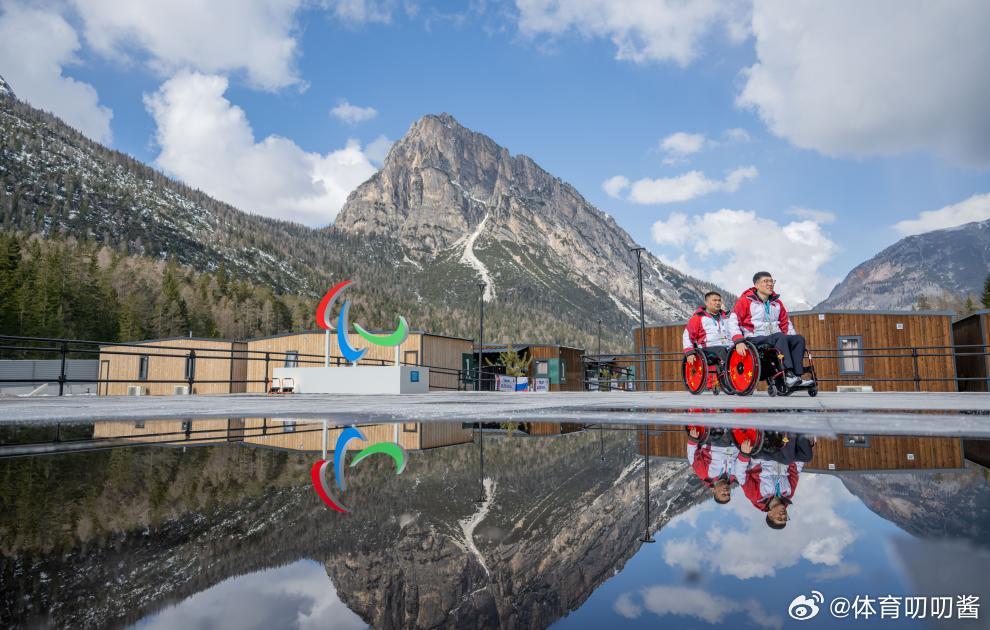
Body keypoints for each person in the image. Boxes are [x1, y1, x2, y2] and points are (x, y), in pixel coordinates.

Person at [730, 272, 813, 388]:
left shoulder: (777, 303)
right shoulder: (745, 301)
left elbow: (785, 323)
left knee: (798, 339)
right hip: (754, 337)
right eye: (766, 281)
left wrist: (791, 339)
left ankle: (797, 376)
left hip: (775, 337)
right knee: (779, 336)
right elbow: (733, 320)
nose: (770, 284)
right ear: (756, 285)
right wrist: (738, 341)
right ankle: (788, 374)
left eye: (772, 281)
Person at [733, 432, 816, 529]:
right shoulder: (788, 494)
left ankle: (790, 430)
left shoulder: (756, 497)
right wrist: (801, 448)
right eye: (785, 518)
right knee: (807, 456)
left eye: (779, 518)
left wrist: (744, 455)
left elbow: (741, 475)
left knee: (788, 458)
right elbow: (795, 472)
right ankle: (800, 433)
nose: (783, 515)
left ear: (770, 514)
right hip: (782, 457)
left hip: (762, 458)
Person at [683, 291, 748, 368]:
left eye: (719, 300)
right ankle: (730, 371)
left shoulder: (727, 317)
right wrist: (689, 352)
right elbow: (687, 335)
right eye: (714, 300)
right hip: (707, 349)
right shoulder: (698, 318)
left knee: (744, 348)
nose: (717, 303)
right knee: (721, 350)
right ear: (706, 303)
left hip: (728, 347)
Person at [687, 426, 739, 504]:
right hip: (734, 442)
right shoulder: (735, 475)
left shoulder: (705, 475)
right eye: (728, 494)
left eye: (723, 494)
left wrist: (693, 440)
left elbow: (693, 458)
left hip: (714, 439)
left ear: (714, 491)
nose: (726, 492)